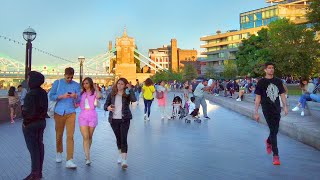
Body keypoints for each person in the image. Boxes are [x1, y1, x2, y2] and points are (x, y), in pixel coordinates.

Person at [254, 62, 288, 166]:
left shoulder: (278, 81)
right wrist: (256, 112)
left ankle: (268, 141)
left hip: (277, 109)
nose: (271, 70)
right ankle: (276, 155)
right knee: (273, 130)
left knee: (275, 130)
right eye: (269, 68)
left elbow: (282, 94)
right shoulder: (261, 82)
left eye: (272, 68)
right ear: (265, 70)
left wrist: (285, 107)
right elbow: (258, 98)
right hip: (266, 109)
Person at [49, 67, 80, 169]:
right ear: (64, 75)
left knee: (70, 136)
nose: (69, 79)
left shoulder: (76, 85)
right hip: (59, 112)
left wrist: (75, 96)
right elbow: (51, 96)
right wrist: (62, 96)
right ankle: (59, 152)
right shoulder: (57, 83)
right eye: (68, 77)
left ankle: (70, 160)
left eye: (71, 77)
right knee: (59, 134)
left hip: (71, 112)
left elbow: (79, 99)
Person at [104, 78, 136, 169]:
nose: (119, 85)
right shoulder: (111, 94)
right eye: (118, 83)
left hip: (124, 119)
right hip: (113, 120)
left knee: (124, 138)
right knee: (118, 138)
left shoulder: (127, 95)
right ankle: (120, 154)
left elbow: (134, 100)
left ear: (125, 85)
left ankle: (124, 160)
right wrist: (108, 108)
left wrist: (130, 89)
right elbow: (105, 105)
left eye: (122, 84)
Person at [22, 71, 48, 180]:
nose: (27, 81)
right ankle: (38, 172)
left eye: (28, 78)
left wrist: (25, 123)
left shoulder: (30, 94)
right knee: (39, 147)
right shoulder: (43, 92)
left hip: (31, 125)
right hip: (41, 123)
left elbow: (27, 112)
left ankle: (35, 174)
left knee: (33, 149)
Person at [78, 77, 101, 166]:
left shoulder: (94, 93)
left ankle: (87, 151)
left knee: (90, 136)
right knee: (85, 137)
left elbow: (99, 96)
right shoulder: (81, 93)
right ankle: (88, 157)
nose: (85, 85)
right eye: (84, 83)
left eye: (87, 83)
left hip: (92, 115)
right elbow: (77, 102)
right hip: (83, 115)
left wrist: (95, 88)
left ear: (90, 84)